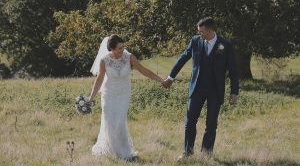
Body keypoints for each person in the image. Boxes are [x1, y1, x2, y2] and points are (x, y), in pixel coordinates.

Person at [162, 17, 239, 159]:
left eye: (201, 31)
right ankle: (187, 152)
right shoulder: (195, 41)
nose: (199, 34)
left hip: (215, 90)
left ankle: (206, 153)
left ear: (210, 31)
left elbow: (233, 70)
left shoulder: (225, 45)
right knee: (190, 121)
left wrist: (234, 92)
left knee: (211, 124)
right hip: (197, 88)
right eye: (198, 31)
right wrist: (170, 77)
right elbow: (183, 58)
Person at [88, 34, 164, 160]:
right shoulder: (104, 60)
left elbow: (143, 70)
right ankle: (112, 151)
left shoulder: (129, 57)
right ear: (111, 49)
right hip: (108, 94)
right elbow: (99, 79)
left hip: (123, 94)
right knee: (109, 122)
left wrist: (160, 79)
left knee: (119, 122)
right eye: (119, 48)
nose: (122, 50)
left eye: (123, 47)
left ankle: (124, 151)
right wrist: (91, 98)